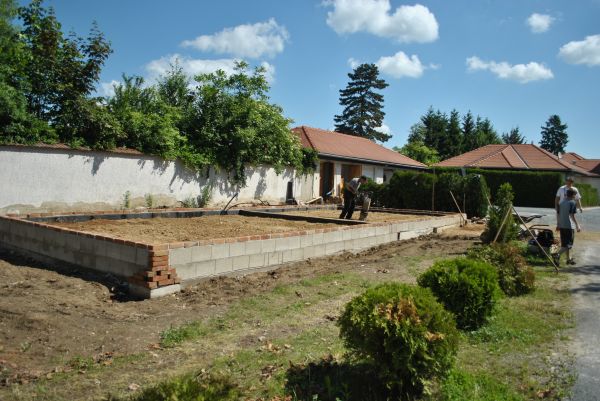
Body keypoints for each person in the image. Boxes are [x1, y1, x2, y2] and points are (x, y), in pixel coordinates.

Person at [553, 188, 581, 266]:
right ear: (572, 195)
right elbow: (572, 215)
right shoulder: (572, 203)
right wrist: (577, 225)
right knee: (568, 244)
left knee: (565, 244)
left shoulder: (561, 202)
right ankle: (556, 255)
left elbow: (558, 214)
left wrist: (558, 224)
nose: (575, 196)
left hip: (562, 225)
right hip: (569, 226)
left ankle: (569, 259)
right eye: (575, 195)